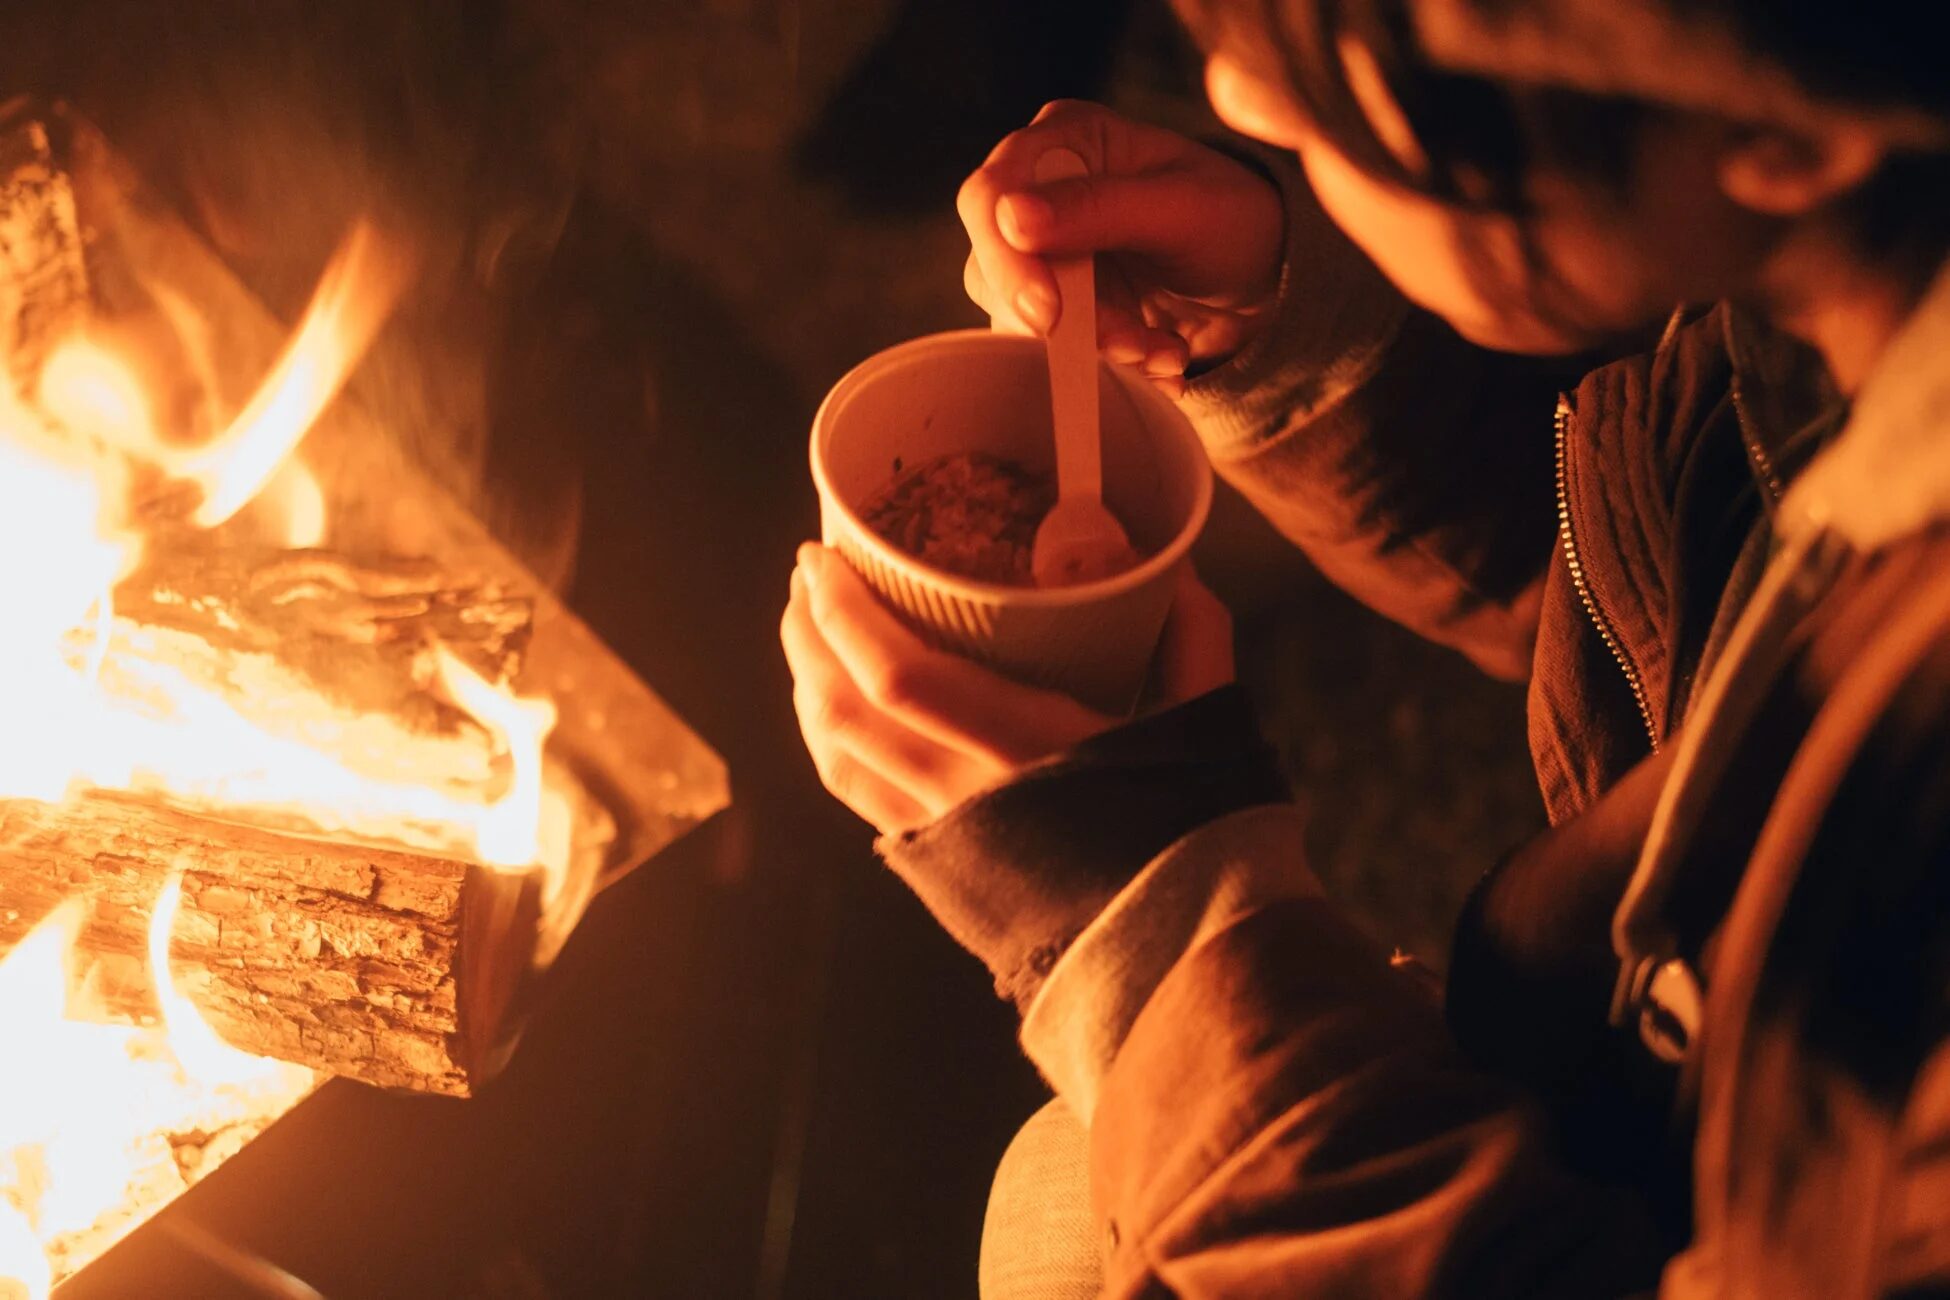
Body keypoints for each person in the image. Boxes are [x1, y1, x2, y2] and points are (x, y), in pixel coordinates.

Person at [779, 0, 1950, 1294]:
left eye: (1345, 52)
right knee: (1056, 1189)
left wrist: (1156, 934)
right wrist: (1299, 341)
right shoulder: (1831, 322)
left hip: (1664, 1167)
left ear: (1768, 122)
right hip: (1616, 1036)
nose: (1245, 105)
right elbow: (1656, 592)